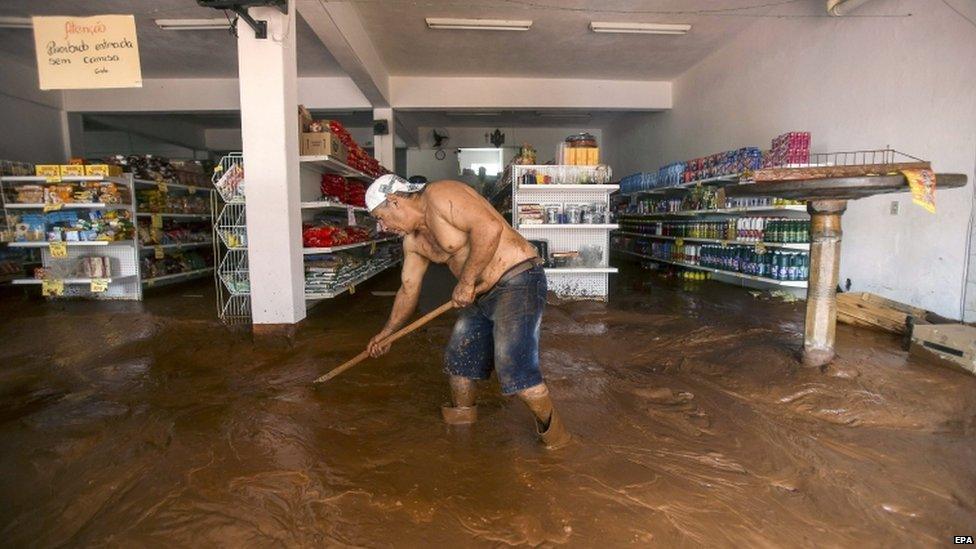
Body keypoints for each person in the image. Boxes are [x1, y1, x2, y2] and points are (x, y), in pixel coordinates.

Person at [364, 174, 571, 449]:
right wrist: (387, 333)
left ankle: (557, 441)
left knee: (514, 367)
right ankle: (461, 440)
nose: (383, 227)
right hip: (479, 293)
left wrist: (465, 282)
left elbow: (489, 228)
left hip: (517, 279)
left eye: (381, 217)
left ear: (394, 201)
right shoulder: (413, 242)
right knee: (459, 360)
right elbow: (407, 289)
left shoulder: (440, 194)